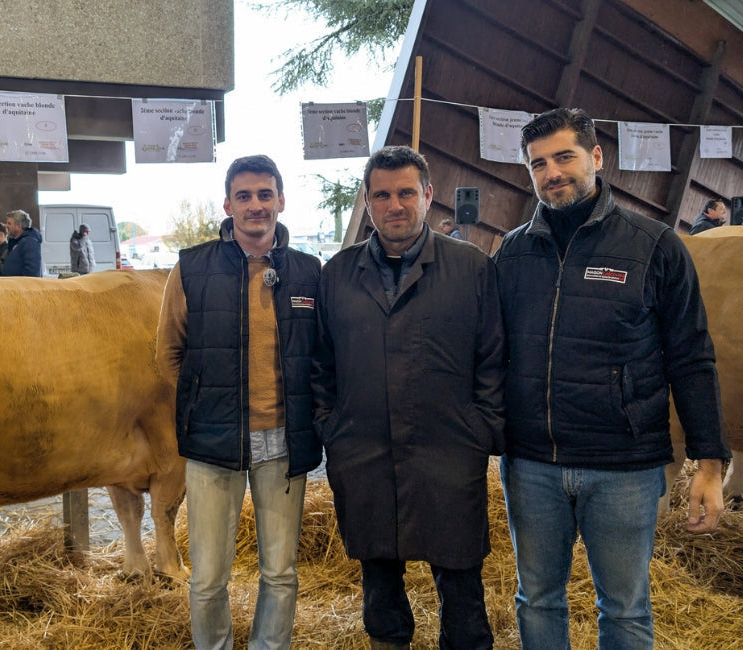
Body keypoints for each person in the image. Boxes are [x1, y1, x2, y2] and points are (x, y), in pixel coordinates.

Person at [493, 107, 731, 649]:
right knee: (537, 601)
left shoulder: (654, 246)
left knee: (624, 609)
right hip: (532, 464)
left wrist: (710, 463)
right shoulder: (512, 252)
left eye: (564, 157)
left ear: (596, 157)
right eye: (538, 164)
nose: (552, 172)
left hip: (624, 467)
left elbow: (692, 358)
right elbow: (490, 354)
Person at [313, 146, 504, 650]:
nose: (394, 205)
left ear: (428, 196)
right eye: (382, 195)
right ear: (368, 201)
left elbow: (493, 360)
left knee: (460, 579)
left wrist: (479, 431)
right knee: (379, 580)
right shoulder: (338, 274)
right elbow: (320, 365)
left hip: (449, 451)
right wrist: (332, 428)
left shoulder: (472, 269)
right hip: (365, 453)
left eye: (405, 193)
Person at [156, 154, 322, 650]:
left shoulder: (309, 272)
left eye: (265, 195)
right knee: (207, 577)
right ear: (228, 205)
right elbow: (167, 352)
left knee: (280, 571)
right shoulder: (192, 268)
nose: (256, 205)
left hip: (285, 443)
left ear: (281, 201)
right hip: (214, 442)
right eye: (244, 196)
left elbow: (322, 356)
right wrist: (202, 404)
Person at [2, 210, 43, 277]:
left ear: (18, 226)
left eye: (9, 223)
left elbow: (32, 272)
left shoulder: (30, 242)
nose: (6, 226)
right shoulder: (16, 243)